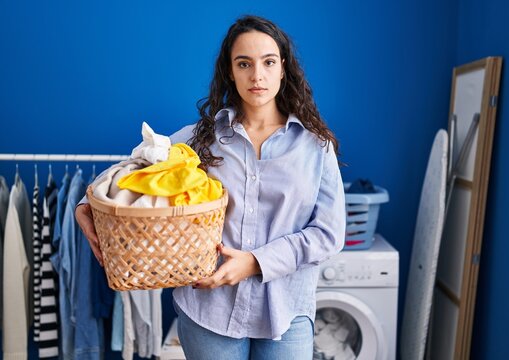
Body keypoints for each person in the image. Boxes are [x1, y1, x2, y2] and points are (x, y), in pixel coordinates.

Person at [76, 14, 345, 360]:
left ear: (284, 69)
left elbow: (328, 233)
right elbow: (132, 169)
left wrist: (255, 263)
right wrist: (85, 204)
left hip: (286, 311)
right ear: (230, 72)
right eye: (244, 63)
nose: (257, 75)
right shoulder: (201, 139)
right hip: (208, 311)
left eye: (268, 62)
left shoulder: (315, 146)